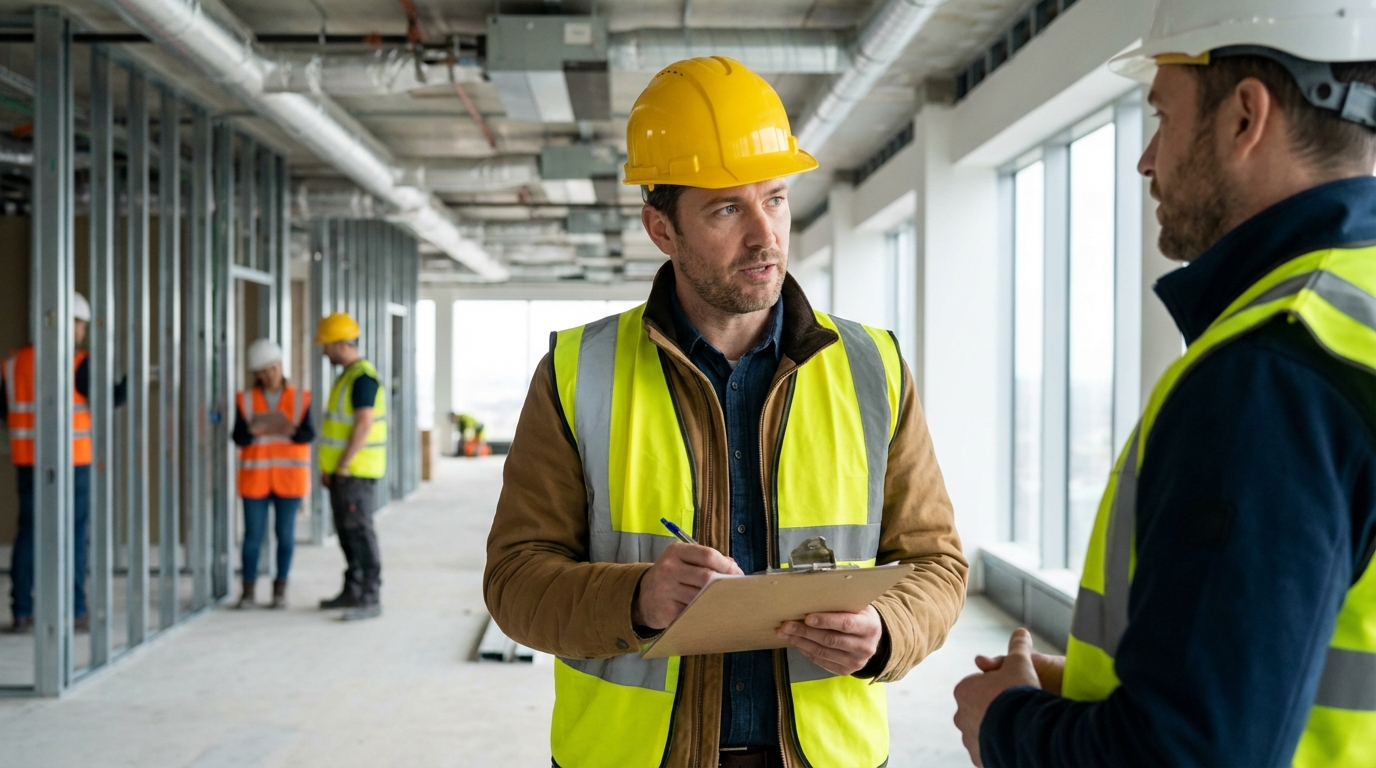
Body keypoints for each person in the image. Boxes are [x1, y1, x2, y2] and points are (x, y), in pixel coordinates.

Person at [485, 57, 968, 768]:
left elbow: (937, 565)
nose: (764, 235)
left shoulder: (874, 368)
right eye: (725, 209)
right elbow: (516, 581)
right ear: (661, 228)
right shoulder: (575, 373)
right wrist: (640, 597)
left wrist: (887, 628)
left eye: (774, 199)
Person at [953, 2, 1376, 766]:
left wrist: (1005, 724)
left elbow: (1186, 754)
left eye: (1163, 115)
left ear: (1245, 117)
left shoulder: (1269, 374)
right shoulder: (1355, 319)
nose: (1146, 159)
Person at [2, 292, 120, 634]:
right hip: (73, 462)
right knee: (74, 533)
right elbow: (108, 400)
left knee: (30, 535)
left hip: (28, 461)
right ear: (66, 324)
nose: (82, 332)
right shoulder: (76, 363)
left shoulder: (13, 364)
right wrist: (130, 383)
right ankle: (75, 609)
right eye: (80, 325)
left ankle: (22, 611)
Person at [315, 312, 387, 621]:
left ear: (341, 344)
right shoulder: (347, 376)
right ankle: (353, 590)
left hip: (355, 472)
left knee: (359, 533)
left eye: (327, 345)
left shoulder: (362, 378)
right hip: (343, 474)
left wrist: (342, 465)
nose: (324, 351)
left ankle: (370, 596)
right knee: (347, 534)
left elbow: (363, 424)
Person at [232, 338, 313, 609]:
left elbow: (309, 434)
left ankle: (280, 591)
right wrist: (250, 433)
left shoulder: (300, 398)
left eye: (273, 369)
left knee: (285, 536)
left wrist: (293, 431)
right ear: (255, 373)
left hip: (288, 479)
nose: (269, 375)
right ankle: (248, 592)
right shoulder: (245, 399)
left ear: (281, 366)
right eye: (263, 371)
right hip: (255, 478)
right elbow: (238, 436)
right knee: (252, 538)